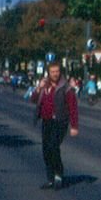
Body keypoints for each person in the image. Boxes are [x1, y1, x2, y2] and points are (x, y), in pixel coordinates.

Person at [31, 62, 79, 190]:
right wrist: (38, 88)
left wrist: (74, 126)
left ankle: (59, 173)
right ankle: (50, 178)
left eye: (57, 71)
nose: (55, 74)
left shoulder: (66, 87)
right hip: (46, 121)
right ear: (48, 72)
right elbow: (33, 99)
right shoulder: (44, 85)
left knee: (53, 146)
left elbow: (73, 107)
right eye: (52, 72)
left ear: (60, 72)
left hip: (60, 121)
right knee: (46, 150)